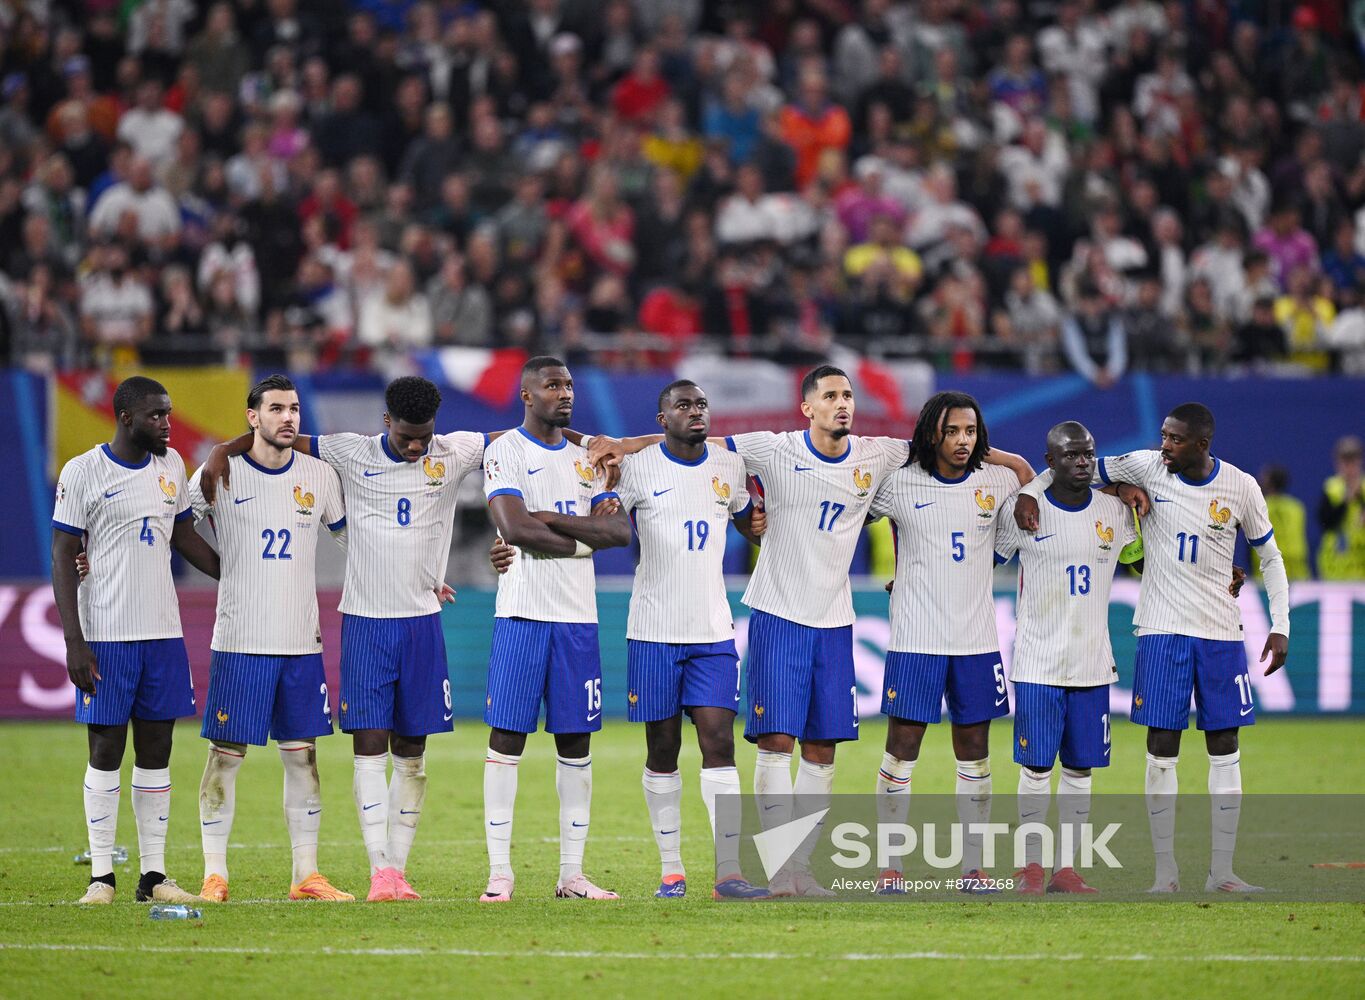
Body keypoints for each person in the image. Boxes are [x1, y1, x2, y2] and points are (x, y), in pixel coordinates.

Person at [589, 366, 1032, 896]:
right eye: (830, 396)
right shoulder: (771, 449)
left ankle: (801, 868)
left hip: (835, 620)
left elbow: (947, 452)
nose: (842, 404)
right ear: (808, 408)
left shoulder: (880, 454)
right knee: (776, 744)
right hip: (778, 615)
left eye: (847, 395)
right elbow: (691, 436)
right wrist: (623, 443)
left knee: (823, 750)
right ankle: (778, 870)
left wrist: (1017, 468)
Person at [200, 376, 487, 902]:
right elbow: (270, 442)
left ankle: (384, 872)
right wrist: (223, 446)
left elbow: (521, 440)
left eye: (424, 436)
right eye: (407, 437)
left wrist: (416, 569)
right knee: (355, 749)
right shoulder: (347, 454)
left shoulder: (454, 449)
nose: (417, 446)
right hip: (344, 625)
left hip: (411, 623)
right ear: (386, 424)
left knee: (405, 755)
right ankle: (369, 870)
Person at [1013, 402, 1291, 892]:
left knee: (1225, 748)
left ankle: (1222, 873)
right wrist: (1031, 493)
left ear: (1202, 444)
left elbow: (1269, 555)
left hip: (1222, 633)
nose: (1164, 445)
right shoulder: (1145, 465)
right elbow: (1072, 468)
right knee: (1161, 750)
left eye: (1174, 439)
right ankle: (1166, 874)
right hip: (1160, 631)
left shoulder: (1241, 486)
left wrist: (1280, 623)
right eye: (1163, 435)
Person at [521, 379, 766, 900]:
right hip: (653, 632)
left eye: (701, 403)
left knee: (719, 743)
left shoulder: (728, 467)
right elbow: (603, 528)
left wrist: (764, 526)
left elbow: (752, 521)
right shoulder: (635, 469)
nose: (695, 412)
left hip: (713, 632)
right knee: (663, 749)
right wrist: (551, 518)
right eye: (683, 405)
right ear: (661, 419)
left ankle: (729, 873)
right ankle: (671, 870)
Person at [52, 375, 221, 905]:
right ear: (125, 417)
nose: (166, 424)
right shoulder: (83, 472)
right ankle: (102, 876)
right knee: (105, 747)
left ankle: (153, 876)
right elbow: (62, 555)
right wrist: (74, 642)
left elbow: (185, 534)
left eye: (168, 413)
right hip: (106, 633)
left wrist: (236, 572)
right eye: (155, 415)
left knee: (158, 750)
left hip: (162, 634)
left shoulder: (171, 466)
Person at [186, 375, 352, 902]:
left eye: (295, 409)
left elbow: (352, 538)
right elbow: (174, 525)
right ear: (252, 416)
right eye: (276, 408)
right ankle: (215, 874)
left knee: (303, 758)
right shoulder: (220, 471)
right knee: (225, 757)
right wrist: (227, 570)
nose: (288, 418)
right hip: (239, 641)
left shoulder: (320, 476)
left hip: (302, 642)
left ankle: (306, 874)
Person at [867, 392, 1034, 894]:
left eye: (970, 432)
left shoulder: (996, 480)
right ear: (931, 434)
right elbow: (852, 507)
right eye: (953, 432)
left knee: (976, 754)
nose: (963, 441)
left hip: (977, 641)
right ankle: (890, 866)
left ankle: (973, 868)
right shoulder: (899, 483)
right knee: (901, 749)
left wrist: (1001, 456)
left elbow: (1028, 479)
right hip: (916, 639)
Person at [480, 357, 632, 903]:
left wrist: (549, 520)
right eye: (552, 385)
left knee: (575, 743)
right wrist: (581, 539)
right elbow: (514, 527)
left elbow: (619, 531)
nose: (564, 392)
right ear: (526, 395)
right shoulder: (506, 453)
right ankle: (500, 873)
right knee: (507, 740)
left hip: (578, 621)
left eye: (568, 384)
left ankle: (572, 874)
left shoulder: (588, 458)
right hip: (521, 616)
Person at [993, 422, 1138, 894]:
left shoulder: (1114, 511)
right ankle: (1030, 867)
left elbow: (1142, 560)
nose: (1082, 461)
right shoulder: (1023, 512)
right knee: (1036, 768)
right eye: (1071, 454)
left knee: (1080, 769)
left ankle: (1066, 869)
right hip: (1037, 662)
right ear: (1050, 461)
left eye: (1089, 453)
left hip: (1093, 663)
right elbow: (983, 560)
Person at [1317, 436, 1365, 581]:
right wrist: (1346, 500)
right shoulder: (1331, 487)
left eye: (1353, 460)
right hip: (1335, 567)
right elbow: (1325, 521)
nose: (1349, 466)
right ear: (1338, 462)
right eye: (1345, 461)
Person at [1254, 466, 1310, 581]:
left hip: (1268, 571)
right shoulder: (1297, 507)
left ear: (1269, 484)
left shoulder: (1259, 508)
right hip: (1297, 570)